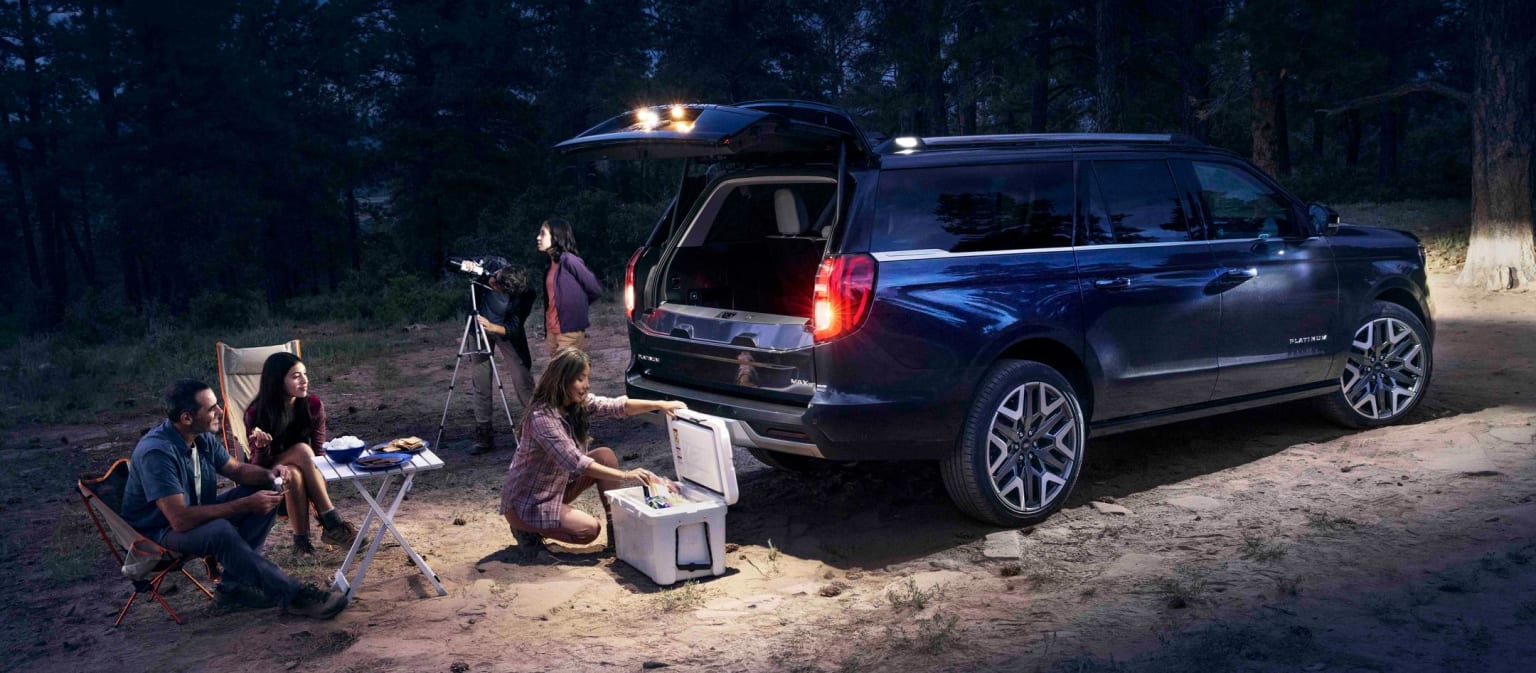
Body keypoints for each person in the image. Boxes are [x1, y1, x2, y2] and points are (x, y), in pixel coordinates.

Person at [120, 379, 349, 618]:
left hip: (190, 514)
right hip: (158, 532)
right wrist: (246, 504)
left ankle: (234, 588)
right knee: (220, 531)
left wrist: (270, 474)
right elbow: (179, 520)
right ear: (187, 418)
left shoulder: (198, 436)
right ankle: (296, 597)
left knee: (269, 487)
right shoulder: (156, 453)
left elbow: (236, 470)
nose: (220, 411)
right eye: (211, 408)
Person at [499, 347, 685, 558]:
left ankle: (617, 530)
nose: (586, 385)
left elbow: (617, 406)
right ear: (562, 380)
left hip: (556, 488)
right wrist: (627, 475)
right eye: (580, 379)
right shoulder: (542, 418)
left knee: (604, 455)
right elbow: (577, 462)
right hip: (528, 502)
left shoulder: (573, 403)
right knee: (588, 530)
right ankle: (527, 531)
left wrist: (660, 404)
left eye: (587, 378)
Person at [244, 352, 359, 553]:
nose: (305, 380)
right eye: (296, 376)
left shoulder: (312, 405)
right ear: (278, 381)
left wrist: (316, 479)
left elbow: (319, 452)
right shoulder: (256, 413)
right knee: (302, 450)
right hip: (268, 475)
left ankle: (301, 543)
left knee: (295, 473)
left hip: (302, 473)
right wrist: (262, 447)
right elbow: (257, 467)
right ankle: (332, 523)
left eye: (304, 374)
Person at [470, 260, 537, 454]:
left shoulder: (526, 294)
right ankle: (484, 433)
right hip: (479, 328)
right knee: (480, 380)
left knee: (522, 377)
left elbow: (514, 328)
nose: (491, 282)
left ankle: (540, 425)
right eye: (493, 278)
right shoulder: (491, 265)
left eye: (496, 285)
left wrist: (492, 327)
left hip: (503, 329)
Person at [536, 218, 604, 357]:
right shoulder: (549, 264)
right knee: (567, 374)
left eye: (543, 234)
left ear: (556, 237)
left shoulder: (569, 260)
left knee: (566, 372)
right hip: (552, 328)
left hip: (569, 329)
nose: (538, 237)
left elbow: (595, 288)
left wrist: (576, 307)